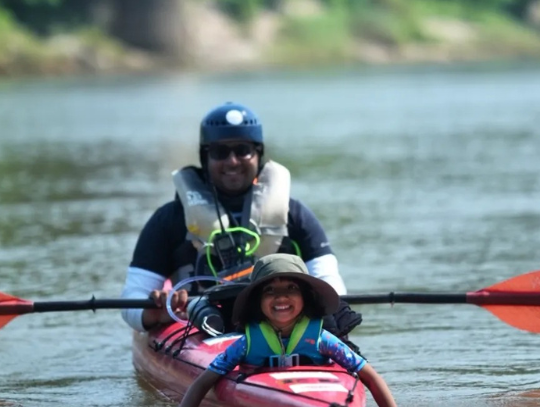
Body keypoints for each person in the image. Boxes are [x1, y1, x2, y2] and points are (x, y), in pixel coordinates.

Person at [120, 102, 361, 338]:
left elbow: (330, 282)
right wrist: (153, 314)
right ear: (205, 158)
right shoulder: (169, 218)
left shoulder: (294, 214)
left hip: (281, 320)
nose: (232, 161)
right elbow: (132, 297)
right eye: (220, 152)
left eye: (243, 150)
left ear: (258, 154)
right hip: (198, 324)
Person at [173, 254, 400, 407]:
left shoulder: (322, 339)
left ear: (305, 297)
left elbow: (369, 376)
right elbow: (203, 383)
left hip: (321, 394)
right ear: (257, 301)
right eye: (270, 290)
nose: (281, 296)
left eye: (291, 288)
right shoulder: (246, 343)